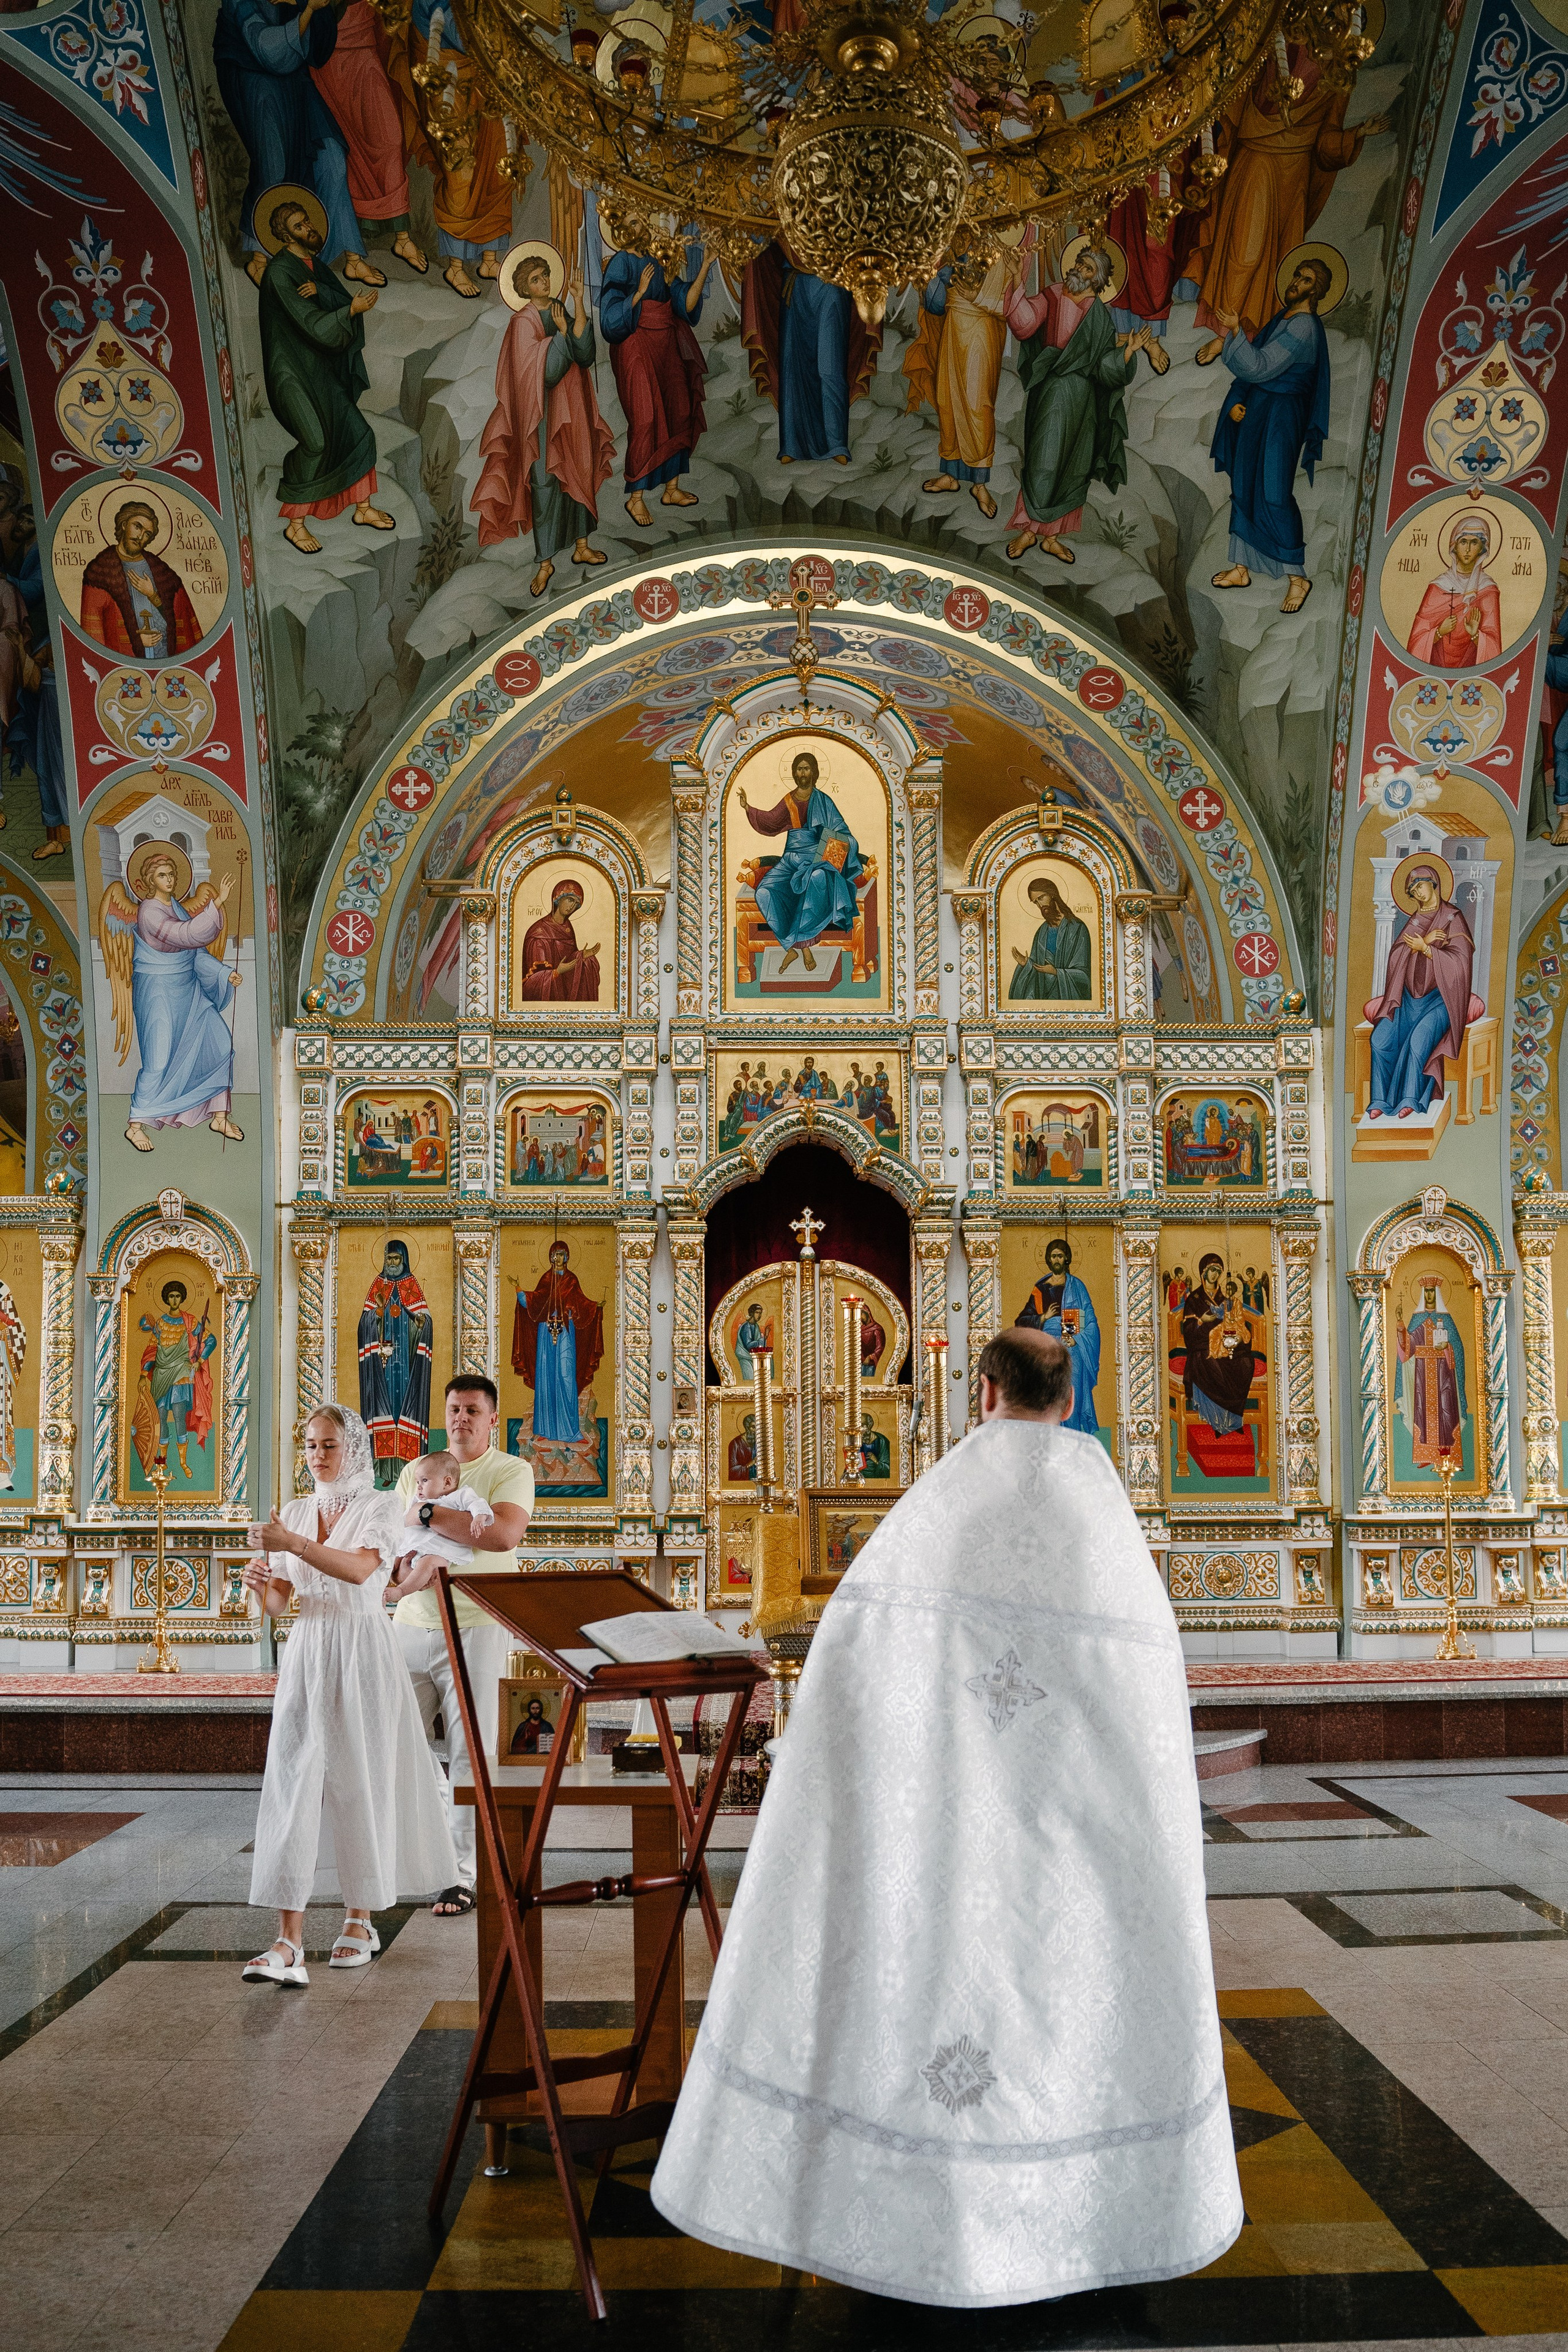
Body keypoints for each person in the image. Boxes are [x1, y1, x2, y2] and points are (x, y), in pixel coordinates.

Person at [652, 1327, 1240, 2301]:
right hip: (1072, 1832)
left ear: (982, 1393)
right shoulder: (1103, 1515)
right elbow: (1141, 1694)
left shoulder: (942, 1502)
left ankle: (920, 2213)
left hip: (946, 1826)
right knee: (1064, 1998)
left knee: (945, 1999)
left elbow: (852, 1659)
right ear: (1069, 1395)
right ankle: (1083, 2215)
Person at [243, 1405, 458, 1985]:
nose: (317, 1456)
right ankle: (288, 1941)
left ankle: (360, 1919)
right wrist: (262, 1586)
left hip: (362, 1650)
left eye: (329, 1445)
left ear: (354, 1449)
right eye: (310, 1445)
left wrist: (292, 1544)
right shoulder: (294, 1510)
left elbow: (364, 1572)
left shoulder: (382, 1506)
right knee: (292, 1784)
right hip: (308, 1650)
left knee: (358, 1780)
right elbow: (283, 1602)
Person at [390, 1376, 534, 1917]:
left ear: (494, 1419)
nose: (461, 1419)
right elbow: (401, 1537)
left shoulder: (509, 1471)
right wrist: (412, 1557)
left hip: (478, 1622)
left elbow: (501, 1535)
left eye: (473, 1410)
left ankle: (462, 1878)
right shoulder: (415, 1470)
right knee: (394, 1737)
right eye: (454, 1409)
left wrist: (429, 1514)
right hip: (411, 1619)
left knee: (471, 1754)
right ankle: (421, 1852)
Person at [1190, 40, 1385, 361]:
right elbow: (1246, 91)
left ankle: (1248, 333)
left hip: (1295, 171)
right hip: (1257, 156)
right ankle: (1225, 329)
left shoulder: (1340, 69)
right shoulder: (1280, 41)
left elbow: (1326, 140)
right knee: (1246, 250)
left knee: (1283, 256)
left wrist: (1358, 133)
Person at [213, 0, 383, 292]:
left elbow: (318, 53)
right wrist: (307, 12)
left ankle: (350, 256)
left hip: (294, 78)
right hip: (254, 75)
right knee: (273, 164)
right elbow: (268, 50)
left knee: (332, 157)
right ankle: (259, 257)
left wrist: (320, 9)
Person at [470, 254, 614, 599]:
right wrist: (562, 337)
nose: (544, 283)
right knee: (546, 482)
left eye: (546, 276)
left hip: (573, 409)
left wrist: (578, 303)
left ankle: (581, 545)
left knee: (580, 467)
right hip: (541, 416)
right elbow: (544, 372)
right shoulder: (522, 323)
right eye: (536, 279)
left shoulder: (561, 308)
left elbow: (585, 355)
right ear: (523, 287)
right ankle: (546, 561)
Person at [258, 195, 394, 556]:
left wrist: (334, 299)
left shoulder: (313, 267)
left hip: (320, 371)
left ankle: (363, 509)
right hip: (291, 374)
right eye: (300, 226)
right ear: (286, 237)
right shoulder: (280, 272)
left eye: (308, 222)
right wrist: (348, 308)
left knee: (358, 432)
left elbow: (333, 297)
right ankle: (295, 524)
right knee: (316, 441)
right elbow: (310, 324)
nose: (309, 229)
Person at [1003, 246, 1150, 565]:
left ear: (1098, 282)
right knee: (1043, 458)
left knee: (1074, 466)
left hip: (1083, 401)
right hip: (1051, 391)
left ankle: (1052, 537)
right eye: (1079, 264)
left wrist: (1127, 353)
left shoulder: (1099, 316)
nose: (1078, 271)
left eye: (1086, 269)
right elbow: (1024, 324)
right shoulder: (1053, 295)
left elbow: (1104, 367)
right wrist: (1016, 278)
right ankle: (1029, 530)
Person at [1208, 254, 1333, 617]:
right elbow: (1255, 372)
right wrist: (1237, 400)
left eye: (1306, 280)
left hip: (1282, 415)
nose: (1296, 282)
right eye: (1297, 275)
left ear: (1318, 290)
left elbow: (1261, 366)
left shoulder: (1304, 327)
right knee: (1245, 483)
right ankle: (1242, 567)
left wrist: (1233, 334)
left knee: (1274, 491)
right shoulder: (1283, 319)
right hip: (1259, 409)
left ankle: (1297, 577)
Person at [99, 848, 245, 1150]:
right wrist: (216, 903)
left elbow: (193, 953)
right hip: (158, 992)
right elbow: (184, 936)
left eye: (172, 874)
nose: (170, 880)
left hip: (188, 989)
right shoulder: (148, 911)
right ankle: (136, 1123)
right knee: (158, 1059)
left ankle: (219, 1115)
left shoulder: (176, 906)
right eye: (163, 875)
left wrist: (222, 972)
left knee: (219, 1042)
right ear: (150, 881)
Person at [385, 0, 512, 297]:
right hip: (443, 75)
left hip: (482, 76)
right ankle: (455, 266)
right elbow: (461, 32)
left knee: (498, 162)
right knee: (461, 171)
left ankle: (489, 259)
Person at [306, 0, 427, 276]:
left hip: (366, 52)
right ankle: (354, 255)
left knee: (390, 138)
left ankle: (402, 238)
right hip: (330, 61)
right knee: (349, 153)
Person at [600, 242, 714, 526]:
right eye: (637, 220)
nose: (645, 226)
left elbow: (684, 302)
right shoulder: (621, 263)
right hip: (635, 343)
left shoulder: (659, 259)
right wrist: (638, 294)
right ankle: (635, 498)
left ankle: (671, 489)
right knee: (645, 418)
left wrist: (705, 267)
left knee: (680, 410)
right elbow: (609, 319)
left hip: (666, 340)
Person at [741, 239, 881, 464]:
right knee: (792, 368)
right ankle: (791, 444)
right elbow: (765, 233)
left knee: (830, 365)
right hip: (796, 288)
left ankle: (836, 442)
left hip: (833, 286)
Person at [903, 249, 1019, 519]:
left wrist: (975, 297)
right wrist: (931, 277)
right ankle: (951, 473)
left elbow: (1008, 303)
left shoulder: (1003, 254)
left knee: (978, 404)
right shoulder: (955, 250)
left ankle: (979, 483)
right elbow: (935, 303)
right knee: (947, 400)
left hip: (982, 329)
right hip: (954, 324)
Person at [1362, 864, 1483, 1121]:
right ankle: (1380, 1100)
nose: (1416, 892)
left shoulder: (1453, 918)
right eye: (1412, 890)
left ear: (1434, 882)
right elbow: (1396, 957)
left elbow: (1461, 965)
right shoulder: (1415, 920)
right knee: (1379, 1040)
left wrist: (1428, 951)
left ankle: (1411, 1099)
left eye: (1419, 885)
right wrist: (1423, 944)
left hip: (1441, 1001)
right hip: (1407, 1000)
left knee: (1419, 1043)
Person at [738, 749, 864, 976]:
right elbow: (771, 821)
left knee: (815, 882)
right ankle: (797, 948)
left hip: (818, 862)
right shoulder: (789, 800)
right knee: (764, 893)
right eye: (799, 768)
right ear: (794, 773)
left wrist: (834, 849)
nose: (802, 773)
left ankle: (800, 950)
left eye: (806, 768)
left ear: (814, 772)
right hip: (790, 860)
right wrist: (749, 808)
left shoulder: (824, 801)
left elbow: (843, 832)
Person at [79, 501, 201, 659]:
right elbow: (94, 634)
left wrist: (153, 595)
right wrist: (136, 640)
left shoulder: (162, 572)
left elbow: (178, 616)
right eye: (137, 526)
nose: (140, 536)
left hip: (164, 657)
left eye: (148, 534)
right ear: (124, 524)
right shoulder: (100, 572)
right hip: (125, 662)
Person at [511, 1240, 605, 1444]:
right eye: (555, 1254)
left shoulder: (572, 1280)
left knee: (566, 1376)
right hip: (546, 1334)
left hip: (566, 1333)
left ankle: (571, 1432)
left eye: (561, 1254)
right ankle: (544, 1431)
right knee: (546, 1378)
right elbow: (533, 1302)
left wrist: (595, 1308)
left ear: (568, 1256)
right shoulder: (546, 1279)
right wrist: (519, 1290)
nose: (558, 1258)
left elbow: (582, 1303)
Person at [357, 1237, 433, 1482]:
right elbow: (364, 1325)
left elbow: (425, 1323)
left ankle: (408, 1469)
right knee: (383, 1408)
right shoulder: (378, 1285)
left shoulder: (412, 1285)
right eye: (388, 1259)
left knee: (404, 1411)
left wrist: (420, 1324)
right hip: (381, 1366)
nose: (392, 1263)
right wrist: (378, 1312)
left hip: (406, 1363)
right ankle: (383, 1470)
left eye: (396, 1259)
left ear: (405, 1260)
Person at [1016, 1236, 1101, 1438]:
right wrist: (1044, 1317)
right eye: (1053, 1256)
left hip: (1073, 1346)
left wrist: (1077, 1338)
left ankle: (1070, 1440)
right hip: (1047, 1347)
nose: (1057, 1260)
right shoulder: (1041, 1288)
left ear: (1067, 1259)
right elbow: (1022, 1321)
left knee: (1072, 1395)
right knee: (1049, 1396)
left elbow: (1090, 1319)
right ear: (1048, 1259)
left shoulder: (1077, 1287)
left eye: (1061, 1256)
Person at [132, 1281, 216, 1485]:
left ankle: (183, 1463)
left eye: (178, 1296)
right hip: (161, 1374)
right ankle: (161, 1463)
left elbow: (211, 1339)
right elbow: (152, 1350)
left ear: (182, 1298)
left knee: (179, 1418)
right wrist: (144, 1374)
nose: (175, 1300)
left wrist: (201, 1360)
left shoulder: (190, 1321)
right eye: (171, 1296)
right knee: (160, 1420)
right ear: (167, 1298)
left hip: (181, 1374)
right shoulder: (160, 1323)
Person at [1178, 1256, 1256, 1446]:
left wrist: (1238, 1337)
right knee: (1212, 1366)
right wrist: (1200, 1321)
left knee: (1247, 1363)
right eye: (1211, 1270)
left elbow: (1239, 1323)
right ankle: (1220, 1423)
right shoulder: (1194, 1298)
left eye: (1218, 1271)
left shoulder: (1227, 1299)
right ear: (1204, 1272)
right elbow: (1187, 1331)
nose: (1214, 1275)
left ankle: (1234, 1419)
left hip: (1228, 1345)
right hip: (1202, 1348)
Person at [1405, 517, 1503, 668]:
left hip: (1471, 671)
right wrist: (1439, 632)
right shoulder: (1438, 587)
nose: (1468, 549)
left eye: (1474, 542)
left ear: (1483, 549)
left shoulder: (1488, 590)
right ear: (1454, 546)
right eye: (1463, 542)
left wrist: (1475, 635)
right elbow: (1416, 641)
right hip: (1436, 666)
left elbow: (1494, 647)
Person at [1395, 1281, 1466, 1470]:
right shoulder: (1418, 1320)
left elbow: (1458, 1349)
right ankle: (1426, 1454)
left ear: (1437, 1294)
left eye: (1432, 1292)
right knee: (1423, 1413)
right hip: (1423, 1373)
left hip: (1444, 1374)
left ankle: (1449, 1457)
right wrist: (1401, 1326)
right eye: (1426, 1292)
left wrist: (1447, 1347)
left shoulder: (1446, 1319)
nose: (1429, 1296)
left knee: (1446, 1412)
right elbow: (1408, 1348)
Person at [398, 1450, 495, 1575]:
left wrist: (479, 1517)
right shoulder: (419, 1500)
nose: (419, 1487)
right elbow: (404, 1519)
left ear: (447, 1483)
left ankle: (401, 1590)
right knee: (391, 1556)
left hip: (440, 1549)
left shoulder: (459, 1496)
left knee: (427, 1565)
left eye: (425, 1480)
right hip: (416, 1544)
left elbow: (476, 1503)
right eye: (418, 1482)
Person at [1009, 873, 1092, 1000]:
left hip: (1066, 998)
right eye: (1036, 902)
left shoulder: (1077, 928)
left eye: (1041, 898)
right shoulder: (1042, 932)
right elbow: (1038, 969)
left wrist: (1056, 972)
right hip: (1045, 996)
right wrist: (1027, 964)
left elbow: (1084, 976)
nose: (1040, 906)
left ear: (1052, 894)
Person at [516, 877, 601, 1001]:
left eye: (576, 904)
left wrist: (582, 956)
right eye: (570, 899)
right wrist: (557, 972)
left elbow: (569, 958)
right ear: (557, 898)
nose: (572, 906)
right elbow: (532, 980)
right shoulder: (538, 932)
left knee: (589, 962)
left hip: (564, 991)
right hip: (548, 997)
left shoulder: (567, 928)